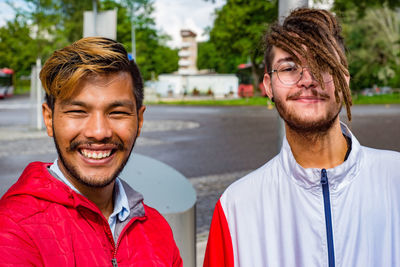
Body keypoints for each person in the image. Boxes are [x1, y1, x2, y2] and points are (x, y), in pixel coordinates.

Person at [204, 8, 400, 267]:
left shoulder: (395, 179)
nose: (308, 79)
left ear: (344, 79)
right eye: (289, 67)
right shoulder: (236, 208)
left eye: (323, 64)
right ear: (268, 85)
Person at [0, 37, 182, 266]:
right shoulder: (12, 230)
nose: (99, 132)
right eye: (78, 111)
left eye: (117, 112)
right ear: (49, 119)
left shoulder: (157, 228)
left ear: (140, 119)